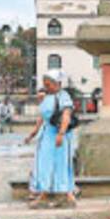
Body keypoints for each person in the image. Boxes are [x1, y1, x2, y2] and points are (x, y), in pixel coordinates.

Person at [24, 72, 76, 208]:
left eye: (48, 84)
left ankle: (61, 194)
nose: (46, 87)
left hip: (58, 135)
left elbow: (66, 116)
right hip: (46, 135)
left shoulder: (64, 97)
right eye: (45, 84)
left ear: (57, 84)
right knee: (43, 163)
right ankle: (47, 192)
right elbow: (42, 116)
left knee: (61, 163)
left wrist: (61, 133)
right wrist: (33, 133)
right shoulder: (46, 97)